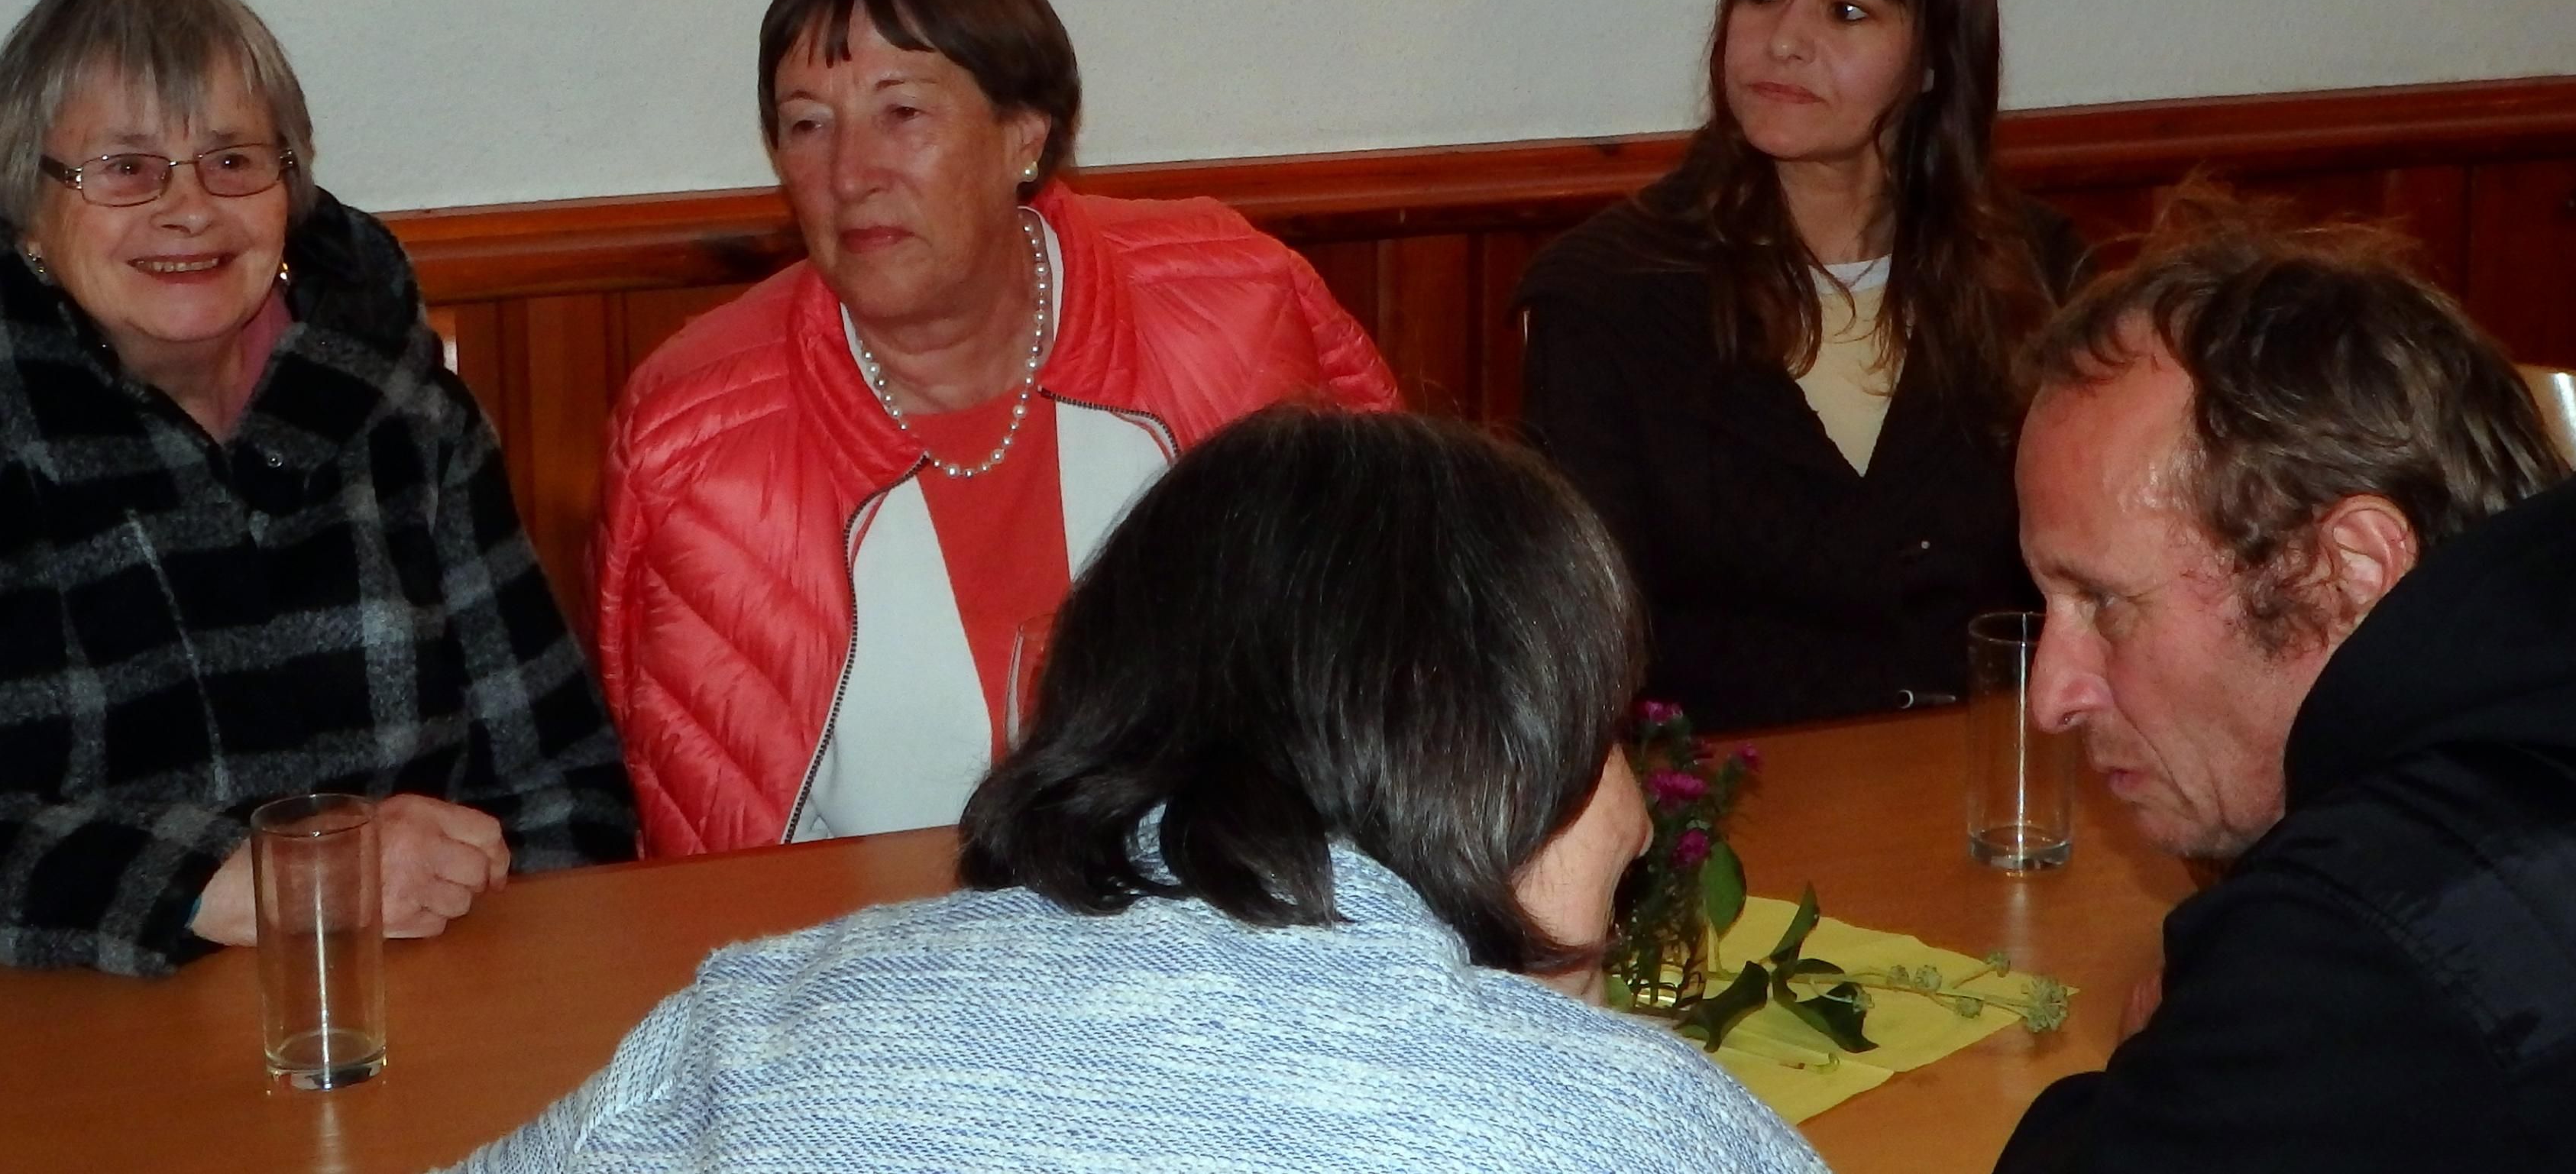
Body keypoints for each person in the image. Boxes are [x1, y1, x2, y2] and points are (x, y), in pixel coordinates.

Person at [464, 406, 1825, 1174]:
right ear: (1466, 739)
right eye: (1599, 732)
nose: (1637, 809)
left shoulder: (760, 1029)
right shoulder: (1635, 1133)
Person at [0, 0, 634, 978]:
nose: (189, 209)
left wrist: (510, 985)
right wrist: (218, 879)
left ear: (289, 191)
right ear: (28, 212)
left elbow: (565, 792)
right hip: (53, 1049)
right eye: (125, 168)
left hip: (409, 1022)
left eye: (231, 160)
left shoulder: (406, 413)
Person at [1995, 195, 2576, 1174]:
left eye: (2103, 602)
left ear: (2347, 568)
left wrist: (2154, 1062)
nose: (2053, 697)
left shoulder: (2350, 946)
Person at [594, 0, 1397, 855]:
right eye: (808, 124)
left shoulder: (1237, 309)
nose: (850, 175)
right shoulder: (695, 438)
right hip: (863, 935)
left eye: (902, 113)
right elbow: (701, 847)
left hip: (1238, 899)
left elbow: (1399, 631)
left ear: (1024, 133)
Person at [1516, 0, 2079, 727]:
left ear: (1935, 56)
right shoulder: (1604, 296)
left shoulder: (2040, 273)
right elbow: (1579, 650)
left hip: (1988, 778)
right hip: (1725, 797)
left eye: (1846, 11)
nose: (1783, 42)